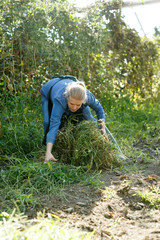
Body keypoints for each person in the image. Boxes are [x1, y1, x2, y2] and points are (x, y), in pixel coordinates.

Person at [40, 76, 109, 163]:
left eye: (78, 105)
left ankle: (105, 141)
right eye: (71, 104)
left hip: (72, 84)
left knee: (89, 118)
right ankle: (47, 149)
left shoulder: (87, 97)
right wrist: (48, 152)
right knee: (47, 122)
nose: (74, 107)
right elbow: (54, 125)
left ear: (83, 101)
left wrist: (102, 127)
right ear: (67, 98)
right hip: (49, 89)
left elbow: (99, 110)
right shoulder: (60, 100)